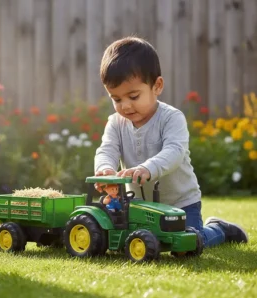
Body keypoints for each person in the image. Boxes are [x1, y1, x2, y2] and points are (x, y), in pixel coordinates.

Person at [94, 36, 248, 247]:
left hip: (180, 202)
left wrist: (148, 168)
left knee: (187, 242)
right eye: (117, 99)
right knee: (138, 242)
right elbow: (107, 149)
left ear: (157, 86)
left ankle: (218, 229)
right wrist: (104, 168)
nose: (126, 106)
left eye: (133, 96)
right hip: (138, 205)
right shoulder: (115, 123)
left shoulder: (171, 118)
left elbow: (174, 151)